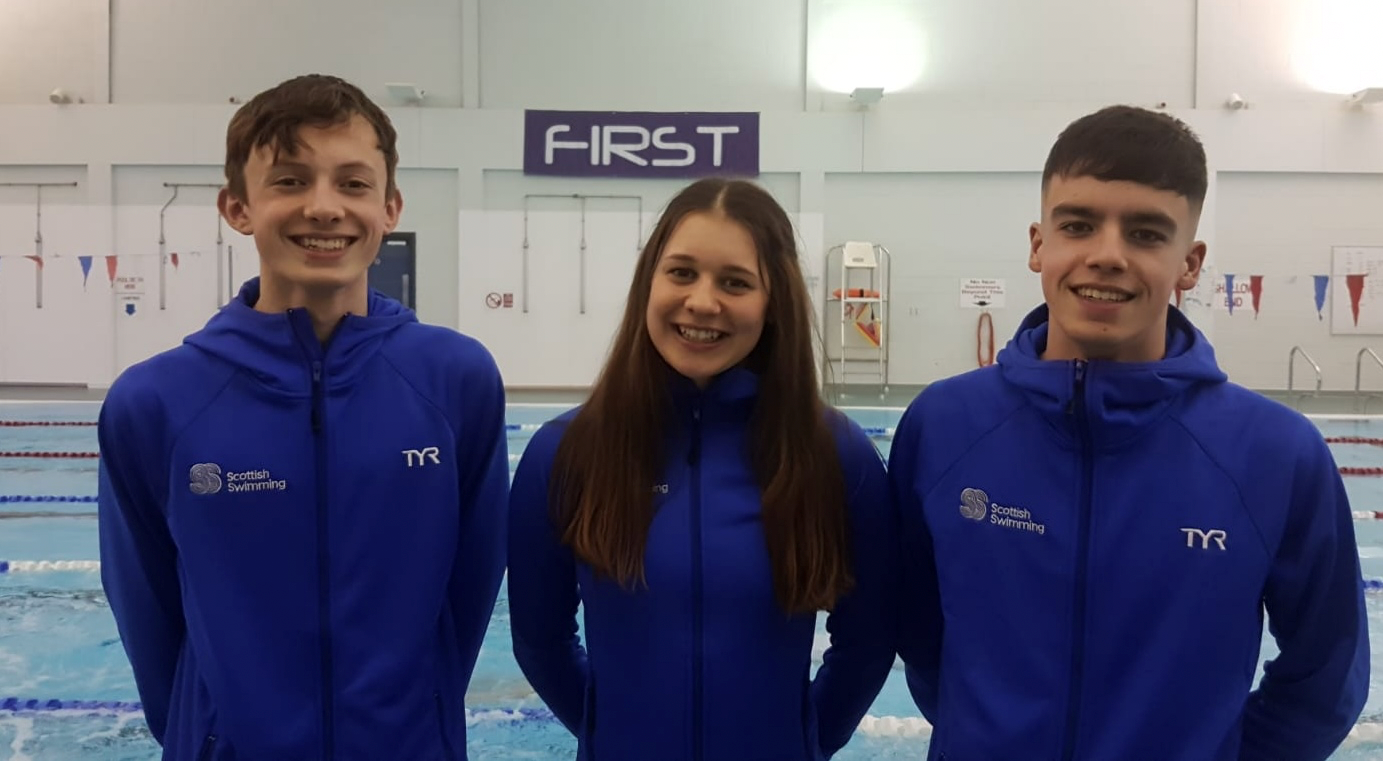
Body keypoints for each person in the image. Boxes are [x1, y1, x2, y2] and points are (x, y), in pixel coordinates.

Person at [890, 105, 1370, 760]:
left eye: (1145, 233)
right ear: (1038, 243)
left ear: (1189, 262)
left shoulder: (1274, 452)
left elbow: (1326, 672)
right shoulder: (943, 426)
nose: (1106, 255)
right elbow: (916, 631)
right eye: (1078, 225)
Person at [96, 74, 510, 760]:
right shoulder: (156, 402)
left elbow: (468, 591)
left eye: (352, 183)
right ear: (238, 207)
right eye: (289, 180)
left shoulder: (455, 379)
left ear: (390, 206)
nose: (324, 207)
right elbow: (147, 610)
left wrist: (419, 719)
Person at [506, 177, 897, 759]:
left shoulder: (833, 456)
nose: (702, 302)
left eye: (735, 282)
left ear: (772, 304)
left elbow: (866, 644)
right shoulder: (567, 452)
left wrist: (801, 740)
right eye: (681, 272)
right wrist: (612, 732)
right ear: (650, 283)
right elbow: (540, 641)